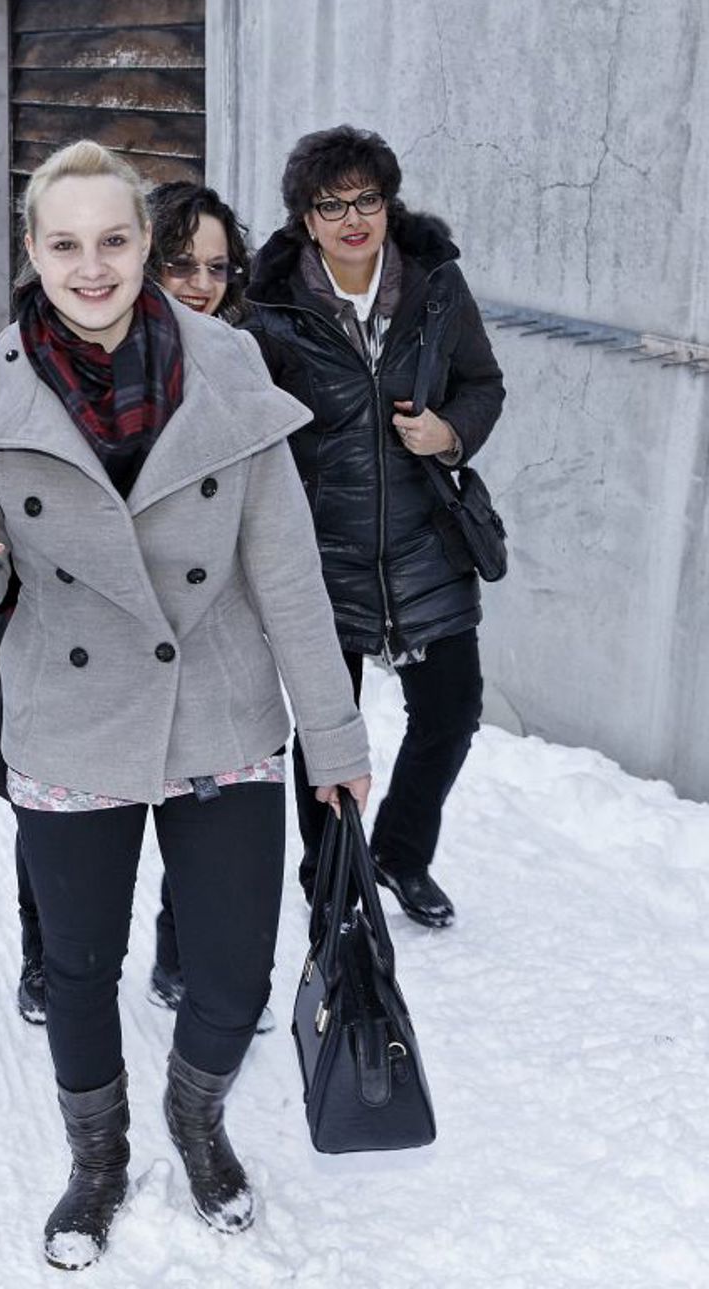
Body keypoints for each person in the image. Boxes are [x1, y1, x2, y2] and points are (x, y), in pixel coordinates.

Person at [0, 140, 371, 1270]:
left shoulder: (227, 363)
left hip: (218, 706)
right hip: (71, 717)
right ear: (31, 251)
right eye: (66, 243)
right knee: (77, 968)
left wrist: (334, 735)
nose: (92, 266)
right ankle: (98, 1155)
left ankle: (196, 1115)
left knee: (232, 972)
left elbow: (286, 569)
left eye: (113, 240)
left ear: (143, 244)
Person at [0, 181, 276, 1031]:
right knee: (54, 808)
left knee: (199, 802)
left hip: (191, 636)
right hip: (60, 627)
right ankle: (49, 950)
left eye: (218, 267)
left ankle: (184, 954)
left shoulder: (233, 363)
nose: (200, 283)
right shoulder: (13, 369)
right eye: (182, 263)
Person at [243, 126, 505, 929]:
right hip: (320, 549)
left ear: (388, 204)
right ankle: (331, 880)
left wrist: (449, 432)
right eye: (332, 205)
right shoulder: (271, 309)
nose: (353, 218)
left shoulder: (436, 285)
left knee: (452, 710)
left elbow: (483, 382)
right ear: (306, 218)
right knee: (329, 729)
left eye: (367, 199)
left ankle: (399, 852)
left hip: (426, 540)